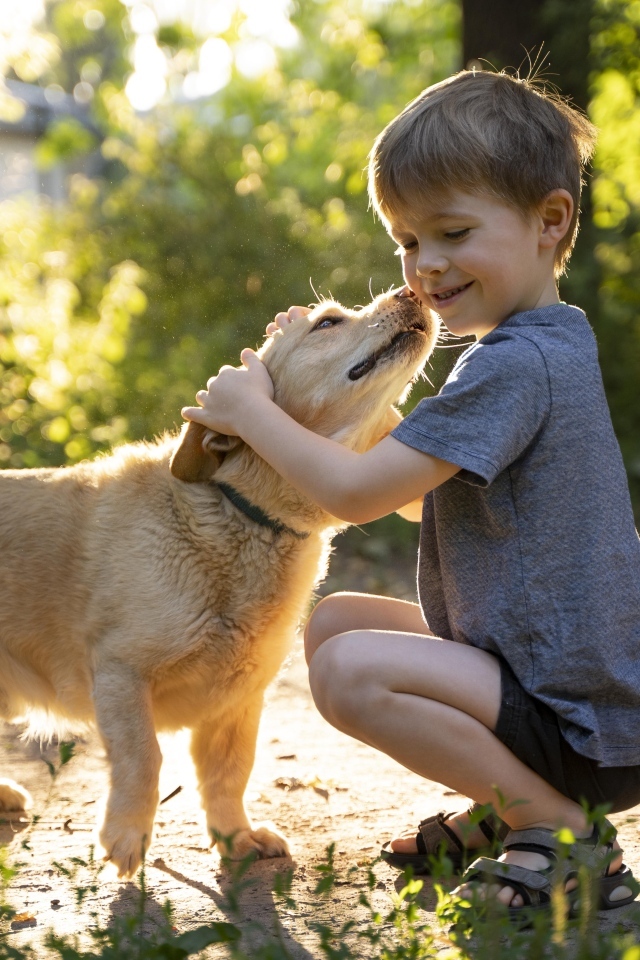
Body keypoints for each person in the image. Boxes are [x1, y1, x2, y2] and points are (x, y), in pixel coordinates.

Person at [182, 69, 640, 915]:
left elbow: (355, 495)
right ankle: (506, 810)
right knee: (336, 621)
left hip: (580, 721)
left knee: (349, 673)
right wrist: (310, 380)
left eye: (453, 232)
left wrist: (252, 415)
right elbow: (408, 491)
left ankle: (560, 832)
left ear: (550, 222)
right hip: (560, 682)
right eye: (405, 240)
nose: (425, 264)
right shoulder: (539, 347)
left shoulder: (515, 364)